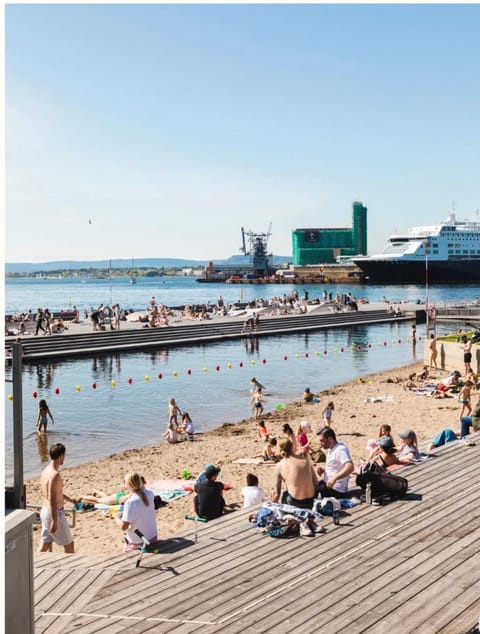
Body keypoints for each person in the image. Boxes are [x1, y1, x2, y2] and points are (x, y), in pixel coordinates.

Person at [39, 443, 79, 553]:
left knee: (45, 544)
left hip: (45, 511)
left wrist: (70, 500)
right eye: (64, 455)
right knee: (69, 544)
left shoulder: (45, 471)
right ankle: (71, 568)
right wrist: (55, 521)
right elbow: (52, 499)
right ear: (61, 456)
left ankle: (33, 565)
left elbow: (54, 493)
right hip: (54, 513)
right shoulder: (54, 474)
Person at [116, 472, 157, 551]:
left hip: (140, 542)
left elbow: (123, 527)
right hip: (153, 537)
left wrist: (116, 518)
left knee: (122, 520)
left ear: (128, 485)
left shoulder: (131, 503)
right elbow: (140, 493)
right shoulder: (150, 493)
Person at [272, 439, 318, 509]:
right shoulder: (305, 460)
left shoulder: (280, 466)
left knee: (284, 493)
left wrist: (270, 506)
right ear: (292, 447)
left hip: (296, 502)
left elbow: (277, 495)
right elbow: (316, 483)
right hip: (311, 501)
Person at [316, 427, 354, 499]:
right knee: (311, 486)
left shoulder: (340, 449)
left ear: (330, 439)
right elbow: (337, 466)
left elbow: (350, 467)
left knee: (308, 493)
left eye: (322, 441)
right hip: (329, 484)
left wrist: (334, 478)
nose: (320, 443)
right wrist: (324, 469)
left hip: (336, 490)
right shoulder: (332, 448)